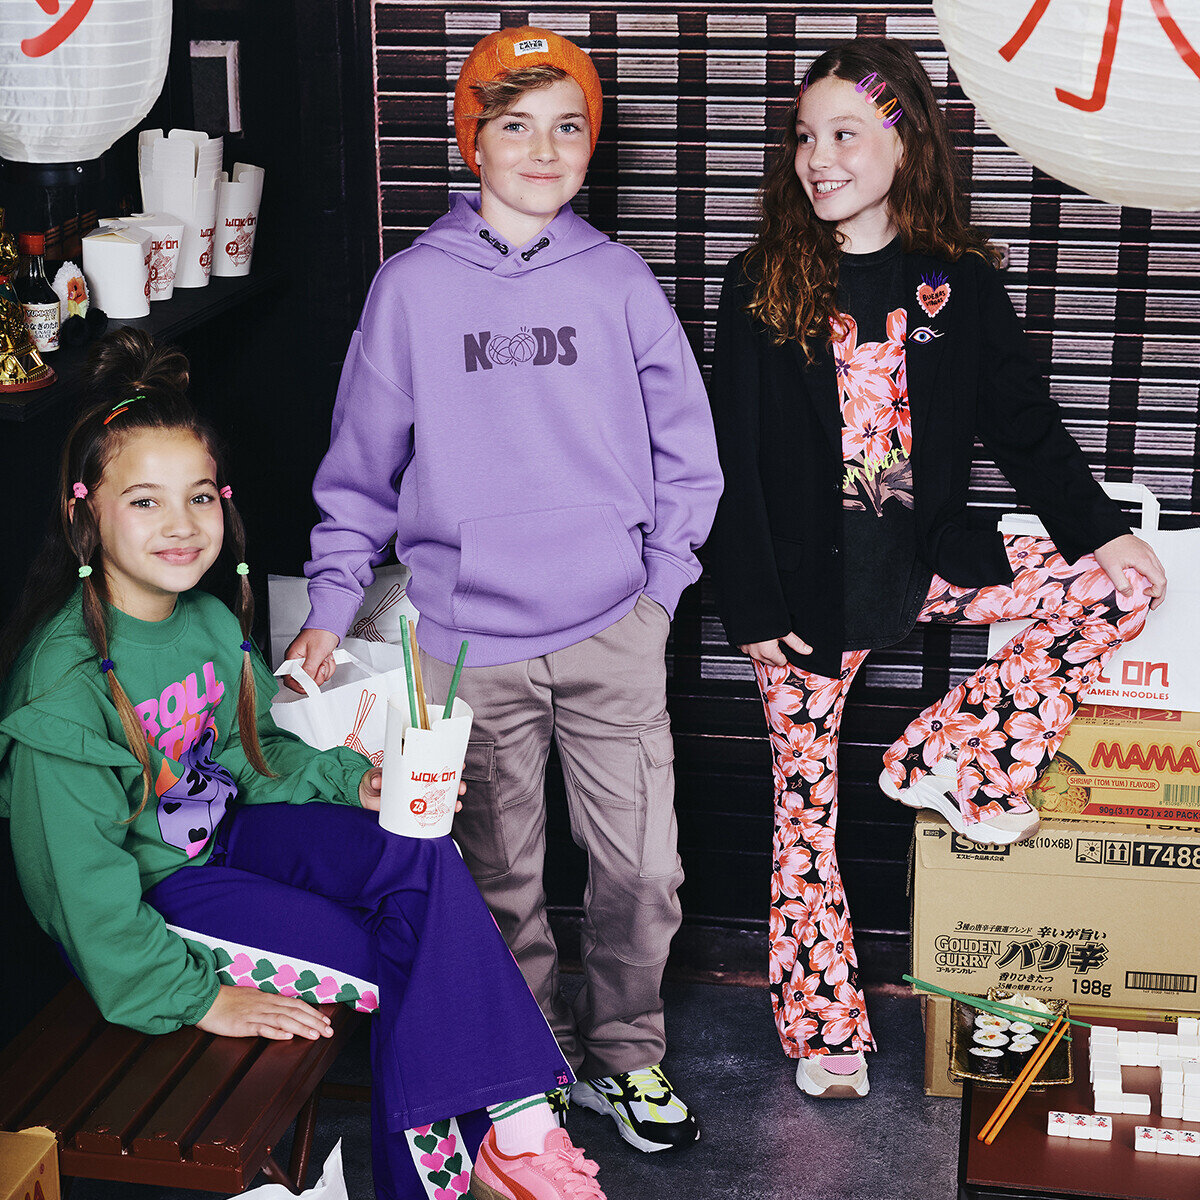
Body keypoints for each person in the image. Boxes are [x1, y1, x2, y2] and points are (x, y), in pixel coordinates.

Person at [0, 329, 609, 1200]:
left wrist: (355, 782)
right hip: (157, 898)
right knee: (412, 955)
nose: (181, 524)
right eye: (144, 501)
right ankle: (499, 1149)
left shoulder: (208, 622)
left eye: (200, 496)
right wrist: (194, 998)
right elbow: (78, 889)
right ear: (84, 513)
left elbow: (256, 758)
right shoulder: (63, 686)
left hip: (232, 842)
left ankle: (515, 1139)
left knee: (417, 846)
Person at [287, 25, 722, 1155]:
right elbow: (358, 474)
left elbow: (690, 457)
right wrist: (329, 609)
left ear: (591, 145)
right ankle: (532, 1062)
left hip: (613, 627)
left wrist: (660, 594)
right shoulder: (409, 289)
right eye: (515, 125)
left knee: (645, 871)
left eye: (567, 127)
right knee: (495, 878)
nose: (542, 149)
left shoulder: (620, 281)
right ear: (471, 141)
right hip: (464, 644)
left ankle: (627, 1052)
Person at [705, 38, 1166, 1102]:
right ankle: (825, 1026)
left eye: (845, 133)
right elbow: (727, 459)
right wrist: (753, 604)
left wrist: (1102, 534)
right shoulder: (763, 282)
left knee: (1122, 590)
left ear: (904, 144)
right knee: (803, 819)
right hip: (807, 602)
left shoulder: (956, 283)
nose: (819, 157)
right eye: (805, 137)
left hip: (930, 564)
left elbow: (1026, 426)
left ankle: (949, 752)